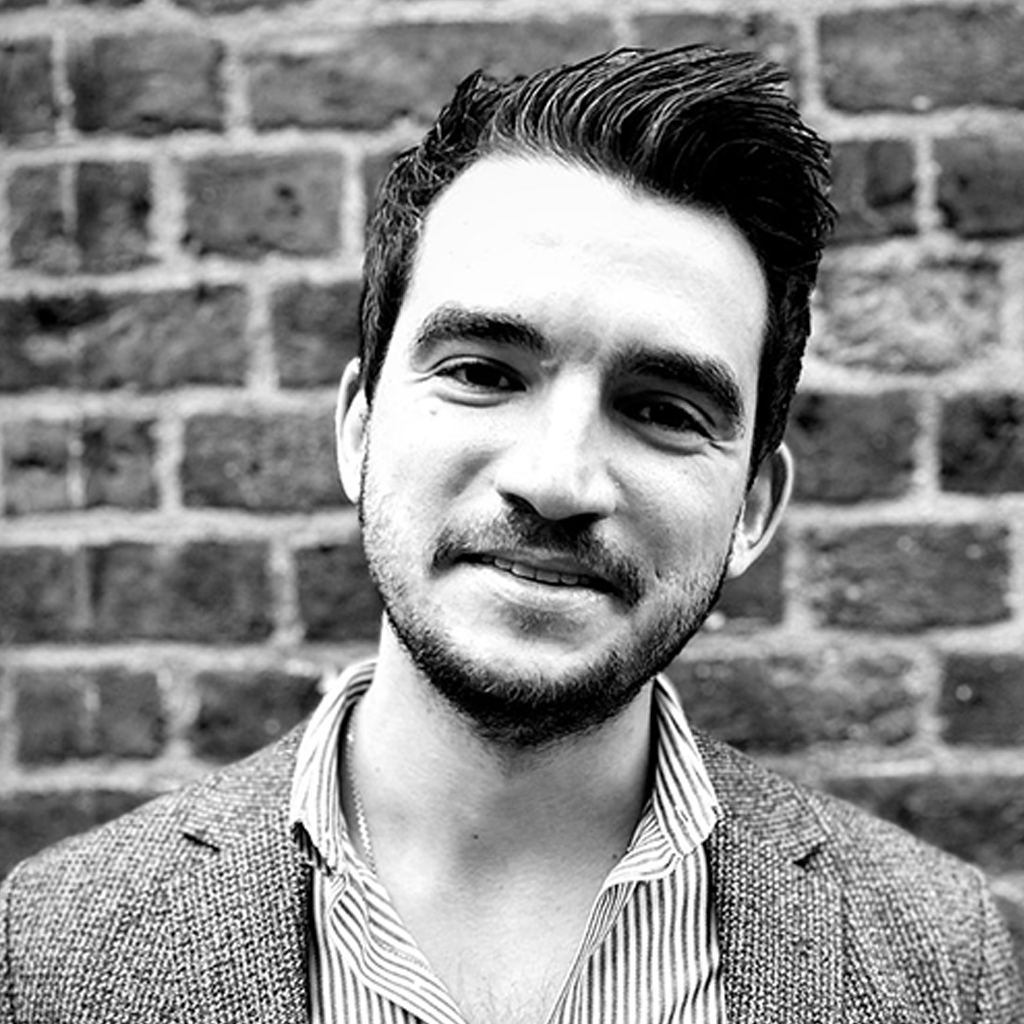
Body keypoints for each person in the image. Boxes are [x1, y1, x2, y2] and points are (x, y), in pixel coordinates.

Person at [1, 45, 1021, 1023]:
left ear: (753, 507)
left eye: (662, 409)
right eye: (483, 373)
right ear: (359, 431)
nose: (557, 480)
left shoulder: (942, 956)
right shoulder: (49, 948)